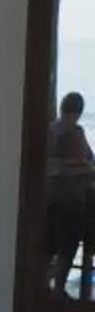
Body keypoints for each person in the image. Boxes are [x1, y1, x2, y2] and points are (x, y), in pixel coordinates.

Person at [45, 89, 95, 295]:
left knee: (68, 245)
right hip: (58, 198)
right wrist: (81, 167)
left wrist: (87, 168)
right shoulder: (54, 132)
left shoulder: (78, 132)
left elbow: (90, 159)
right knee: (55, 245)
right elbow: (50, 167)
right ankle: (51, 287)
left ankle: (57, 287)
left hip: (73, 199)